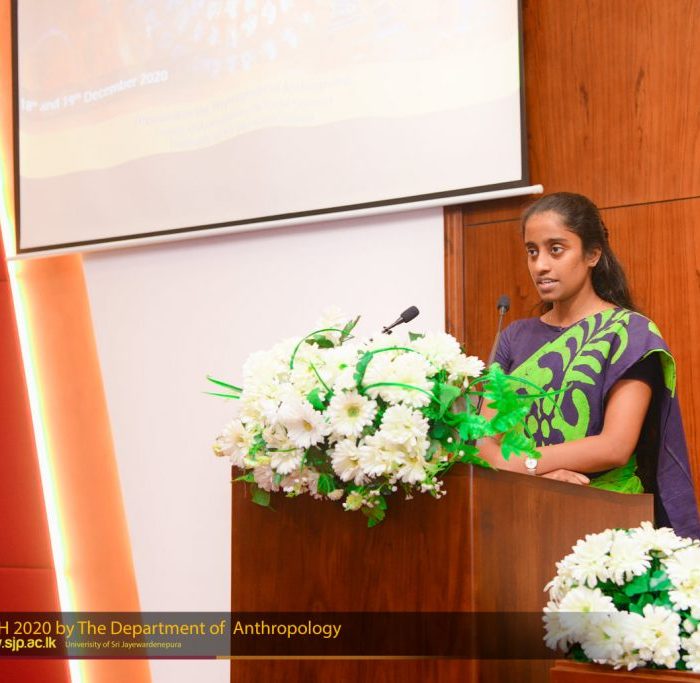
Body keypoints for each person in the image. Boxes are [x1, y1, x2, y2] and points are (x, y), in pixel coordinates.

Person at [478, 192, 700, 540]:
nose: (540, 265)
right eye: (532, 251)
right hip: (519, 516)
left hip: (607, 521)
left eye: (556, 249)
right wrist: (540, 477)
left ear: (593, 254)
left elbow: (614, 446)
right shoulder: (514, 337)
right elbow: (482, 439)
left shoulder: (630, 333)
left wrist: (525, 465)